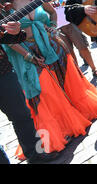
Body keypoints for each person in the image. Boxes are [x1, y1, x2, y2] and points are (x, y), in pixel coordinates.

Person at [0, 0, 97, 158]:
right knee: (45, 92)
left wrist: (50, 28)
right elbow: (6, 40)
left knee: (66, 82)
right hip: (26, 53)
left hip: (52, 46)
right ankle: (56, 132)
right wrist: (29, 56)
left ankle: (76, 116)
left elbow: (51, 14)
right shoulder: (3, 9)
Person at [0, 20, 59, 164]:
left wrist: (16, 32)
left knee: (22, 115)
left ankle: (36, 155)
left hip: (3, 73)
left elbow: (11, 38)